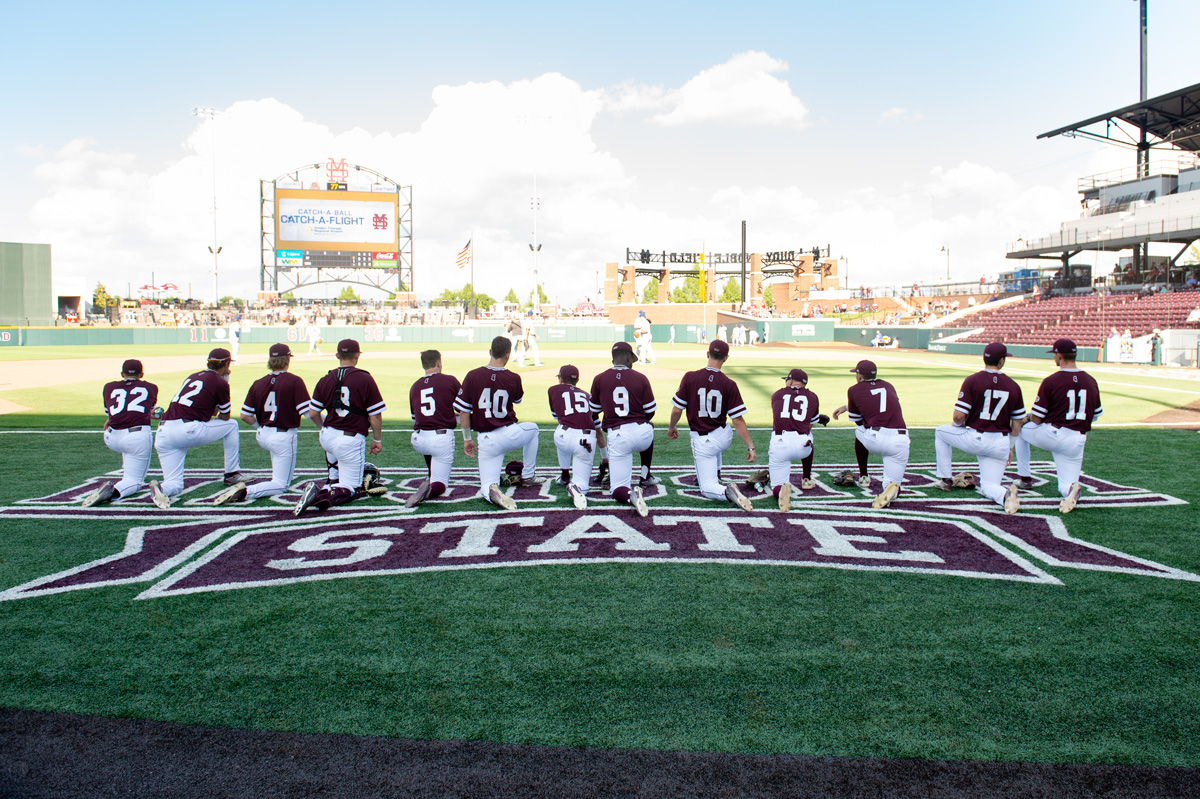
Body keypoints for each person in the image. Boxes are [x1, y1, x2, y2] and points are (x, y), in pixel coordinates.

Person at [214, 343, 323, 505]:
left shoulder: (258, 382)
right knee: (281, 484)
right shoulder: (294, 381)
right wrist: (325, 425)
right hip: (283, 436)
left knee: (278, 467)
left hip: (263, 434)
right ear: (287, 360)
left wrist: (261, 426)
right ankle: (246, 492)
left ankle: (252, 487)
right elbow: (309, 413)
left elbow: (245, 416)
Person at [293, 339, 387, 515]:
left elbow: (313, 413)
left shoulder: (325, 378)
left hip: (328, 436)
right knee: (352, 488)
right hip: (350, 437)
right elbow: (375, 414)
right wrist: (377, 439)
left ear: (337, 355)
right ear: (358, 355)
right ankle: (320, 493)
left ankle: (332, 480)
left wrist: (324, 427)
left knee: (336, 466)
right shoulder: (365, 378)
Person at [933, 343, 1026, 514]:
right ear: (1002, 361)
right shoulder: (1013, 385)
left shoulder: (973, 380)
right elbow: (1018, 422)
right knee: (989, 486)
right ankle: (1005, 494)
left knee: (940, 432)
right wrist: (1010, 446)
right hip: (1001, 442)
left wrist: (958, 427)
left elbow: (958, 416)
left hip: (976, 438)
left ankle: (945, 480)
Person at [1013, 339, 1103, 513]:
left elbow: (1037, 419)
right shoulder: (1091, 381)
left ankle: (1024, 478)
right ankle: (1071, 491)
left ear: (1059, 356)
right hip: (1078, 439)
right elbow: (1095, 416)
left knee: (1020, 429)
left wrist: (1028, 417)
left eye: (1054, 354)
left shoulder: (1051, 381)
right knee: (1065, 486)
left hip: (1054, 434)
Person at [453, 336, 542, 510]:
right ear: (508, 355)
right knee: (533, 429)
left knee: (486, 487)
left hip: (486, 439)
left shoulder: (472, 375)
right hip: (510, 433)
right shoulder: (513, 377)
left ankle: (492, 490)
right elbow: (517, 400)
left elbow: (463, 412)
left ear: (490, 352)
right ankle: (528, 475)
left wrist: (466, 438)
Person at [667, 339, 756, 510]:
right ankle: (716, 471)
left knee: (706, 488)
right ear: (726, 358)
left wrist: (672, 427)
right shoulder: (729, 383)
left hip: (704, 442)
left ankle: (727, 491)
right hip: (724, 436)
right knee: (720, 432)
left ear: (708, 354)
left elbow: (677, 410)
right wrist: (750, 446)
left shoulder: (690, 377)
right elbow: (737, 420)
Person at [150, 348, 243, 509]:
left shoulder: (193, 376)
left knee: (175, 484)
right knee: (232, 425)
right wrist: (225, 384)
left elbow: (210, 409)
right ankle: (232, 473)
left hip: (164, 432)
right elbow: (225, 416)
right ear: (226, 364)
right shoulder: (220, 382)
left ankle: (161, 488)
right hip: (187, 429)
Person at [590, 341, 658, 516]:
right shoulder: (641, 377)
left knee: (618, 488)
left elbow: (594, 412)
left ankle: (630, 494)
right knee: (649, 426)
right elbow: (650, 412)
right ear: (628, 357)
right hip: (642, 434)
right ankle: (645, 475)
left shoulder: (599, 378)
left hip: (618, 435)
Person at [831, 359, 909, 509]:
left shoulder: (854, 389)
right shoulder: (888, 385)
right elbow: (882, 403)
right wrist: (847, 406)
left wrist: (850, 409)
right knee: (891, 484)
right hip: (900, 440)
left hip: (876, 438)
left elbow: (857, 420)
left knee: (860, 431)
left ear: (859, 376)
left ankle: (864, 476)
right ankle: (891, 491)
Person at [83, 359, 160, 507]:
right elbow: (147, 410)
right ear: (142, 374)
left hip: (111, 436)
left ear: (122, 373)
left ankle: (127, 469)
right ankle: (113, 491)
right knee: (135, 481)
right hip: (135, 437)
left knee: (128, 450)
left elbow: (110, 413)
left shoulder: (109, 387)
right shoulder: (151, 387)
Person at [757, 368, 826, 512]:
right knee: (809, 437)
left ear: (791, 380)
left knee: (776, 487)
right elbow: (809, 424)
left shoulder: (777, 394)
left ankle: (782, 491)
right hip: (802, 446)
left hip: (781, 442)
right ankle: (806, 478)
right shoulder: (813, 397)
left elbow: (783, 415)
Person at [405, 349, 461, 508]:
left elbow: (416, 418)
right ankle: (430, 488)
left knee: (429, 441)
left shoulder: (415, 386)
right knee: (441, 486)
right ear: (438, 363)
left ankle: (431, 476)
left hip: (419, 439)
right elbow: (463, 409)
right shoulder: (450, 381)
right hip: (440, 438)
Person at [549, 364, 605, 510]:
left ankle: (564, 474)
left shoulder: (553, 390)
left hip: (563, 436)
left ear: (560, 379)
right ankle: (576, 487)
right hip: (586, 440)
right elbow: (598, 431)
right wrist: (605, 457)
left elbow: (557, 416)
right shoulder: (589, 397)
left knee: (561, 430)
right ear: (577, 380)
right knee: (583, 488)